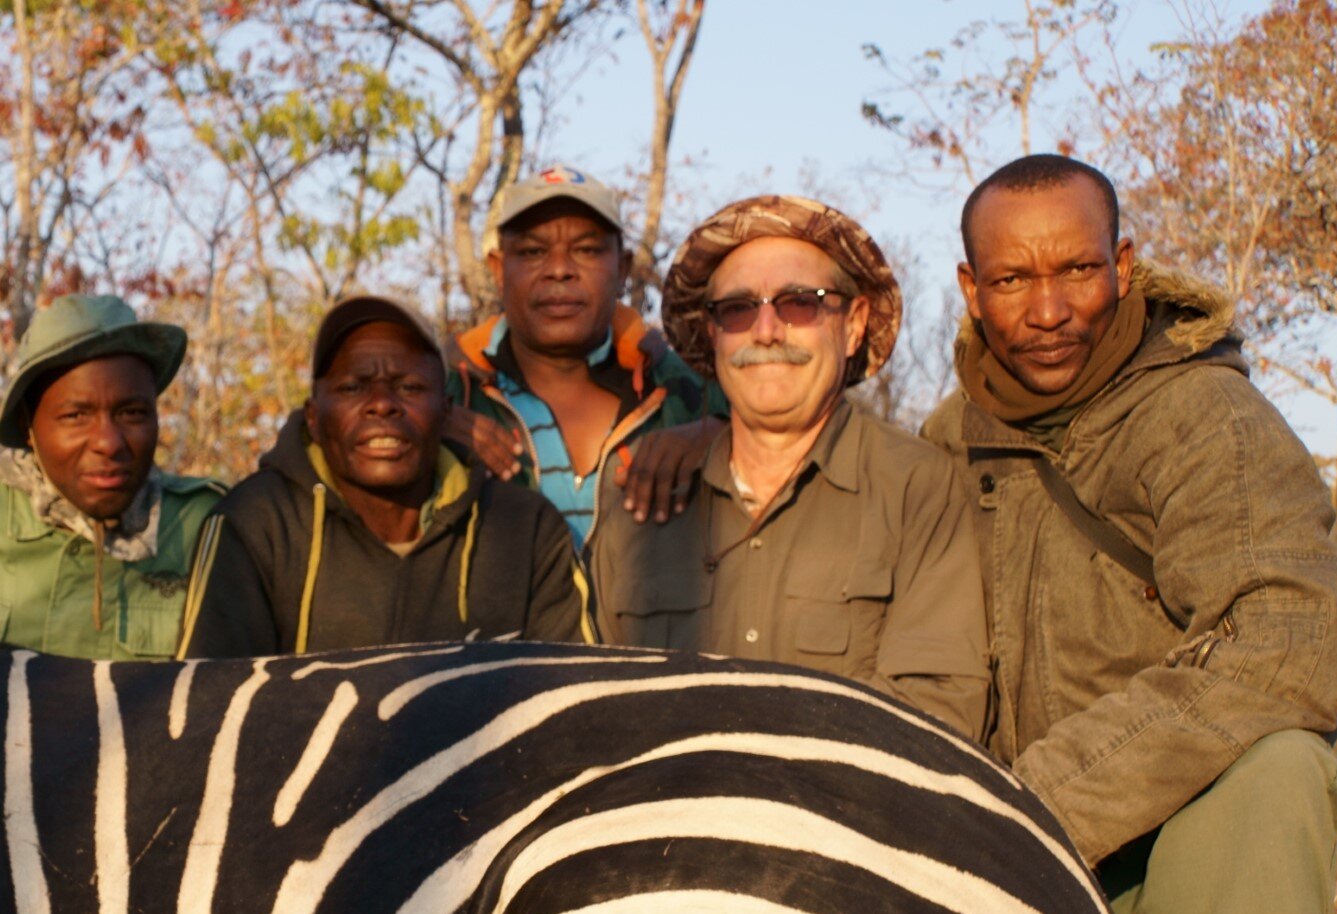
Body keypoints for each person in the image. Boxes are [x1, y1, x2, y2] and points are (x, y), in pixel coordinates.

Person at [923, 155, 1337, 914]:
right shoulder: (939, 443)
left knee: (1279, 762)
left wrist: (1029, 807)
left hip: (1164, 866)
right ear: (970, 290)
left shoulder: (1205, 415)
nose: (1051, 305)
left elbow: (1288, 641)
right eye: (1015, 278)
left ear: (1124, 267)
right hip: (1036, 889)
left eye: (1078, 267)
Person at [588, 196, 989, 740]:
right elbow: (589, 709)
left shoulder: (916, 488)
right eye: (737, 309)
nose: (767, 330)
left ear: (853, 324)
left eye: (801, 303)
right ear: (712, 335)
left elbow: (938, 715)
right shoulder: (640, 499)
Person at [179, 296, 586, 655]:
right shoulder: (254, 523)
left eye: (408, 387)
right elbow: (204, 705)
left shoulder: (527, 529)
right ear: (314, 417)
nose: (381, 405)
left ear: (446, 412)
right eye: (353, 388)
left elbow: (574, 703)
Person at [0, 294, 223, 659]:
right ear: (28, 425)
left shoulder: (210, 525)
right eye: (76, 415)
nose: (109, 443)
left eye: (133, 413)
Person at [449, 165, 718, 543]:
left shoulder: (689, 394)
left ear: (623, 268)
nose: (559, 270)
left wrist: (725, 439)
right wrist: (422, 436)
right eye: (532, 251)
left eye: (587, 250)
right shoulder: (446, 392)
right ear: (498, 268)